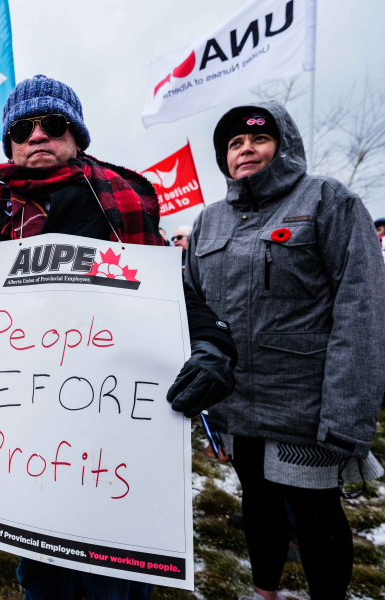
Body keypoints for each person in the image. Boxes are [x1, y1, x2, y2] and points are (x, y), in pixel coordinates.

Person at [0, 46, 237, 600]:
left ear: (77, 135)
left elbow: (170, 292)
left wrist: (213, 344)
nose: (38, 135)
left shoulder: (123, 199)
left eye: (53, 124)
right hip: (29, 434)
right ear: (11, 144)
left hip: (114, 425)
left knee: (115, 576)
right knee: (41, 571)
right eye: (23, 128)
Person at [186, 101, 385, 600]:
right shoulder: (208, 222)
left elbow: (361, 308)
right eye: (234, 143)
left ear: (284, 145)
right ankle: (264, 591)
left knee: (316, 513)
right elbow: (187, 305)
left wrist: (348, 412)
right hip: (236, 403)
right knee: (257, 502)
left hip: (306, 404)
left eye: (258, 138)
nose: (245, 149)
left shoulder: (328, 201)